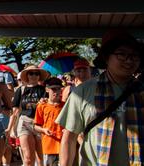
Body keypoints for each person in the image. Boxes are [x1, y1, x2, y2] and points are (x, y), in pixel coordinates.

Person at [56, 29, 144, 166]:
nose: (129, 60)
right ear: (106, 57)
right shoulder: (82, 92)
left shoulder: (141, 90)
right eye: (121, 54)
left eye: (135, 56)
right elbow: (69, 138)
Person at [8, 65, 49, 166]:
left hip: (40, 124)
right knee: (28, 158)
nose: (34, 75)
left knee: (41, 158)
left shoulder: (43, 90)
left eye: (37, 73)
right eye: (31, 73)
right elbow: (15, 111)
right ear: (27, 75)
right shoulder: (20, 90)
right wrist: (9, 128)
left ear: (39, 76)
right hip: (24, 122)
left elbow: (48, 108)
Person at [34, 77, 65, 166]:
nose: (56, 91)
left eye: (59, 89)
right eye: (53, 89)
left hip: (63, 144)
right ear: (47, 89)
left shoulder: (65, 105)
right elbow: (36, 126)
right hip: (48, 146)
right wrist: (44, 130)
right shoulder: (41, 106)